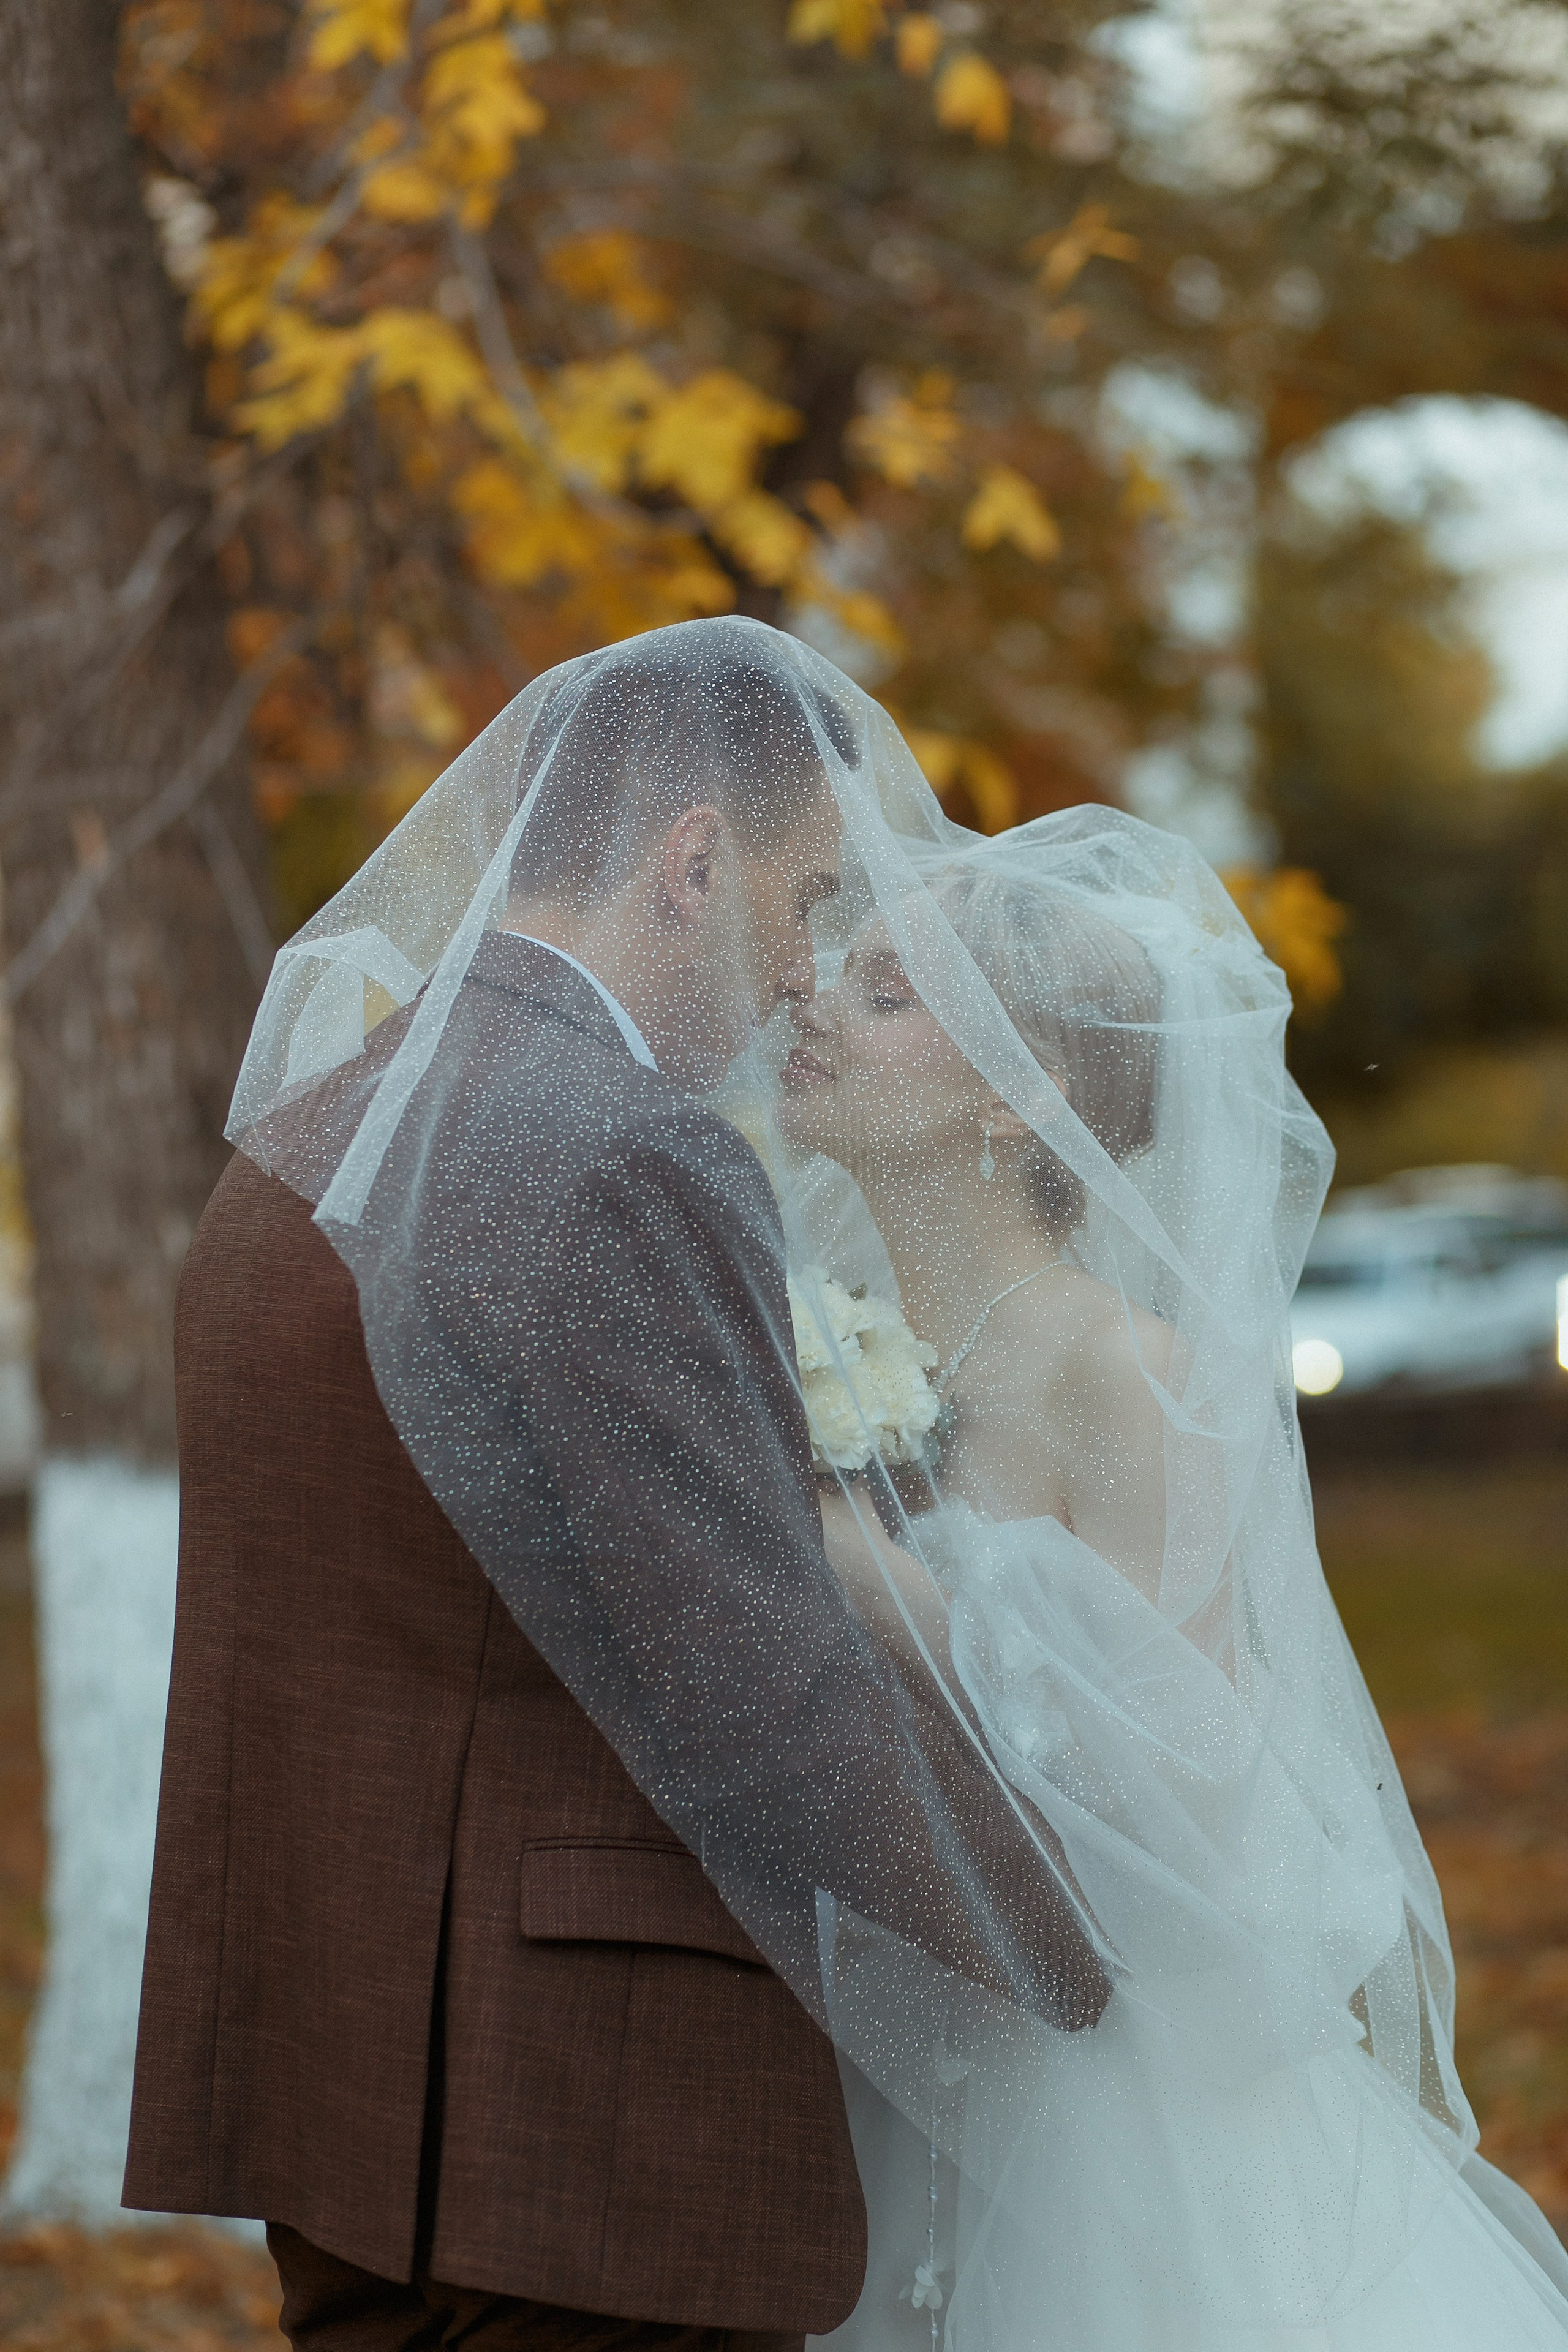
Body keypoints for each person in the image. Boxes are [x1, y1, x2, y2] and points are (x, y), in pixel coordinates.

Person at [123, 619, 1106, 2352]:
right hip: (586, 2145)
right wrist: (1067, 1962)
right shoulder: (622, 1148)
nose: (809, 979)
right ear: (694, 862)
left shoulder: (302, 1146)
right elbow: (759, 1685)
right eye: (807, 908)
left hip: (347, 2102)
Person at [778, 831, 1568, 2351]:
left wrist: (880, 1584)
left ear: (1022, 1092)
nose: (807, 1005)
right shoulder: (827, 1338)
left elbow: (1182, 1796)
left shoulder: (1123, 1374)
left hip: (1105, 2104)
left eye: (884, 992)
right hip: (884, 2036)